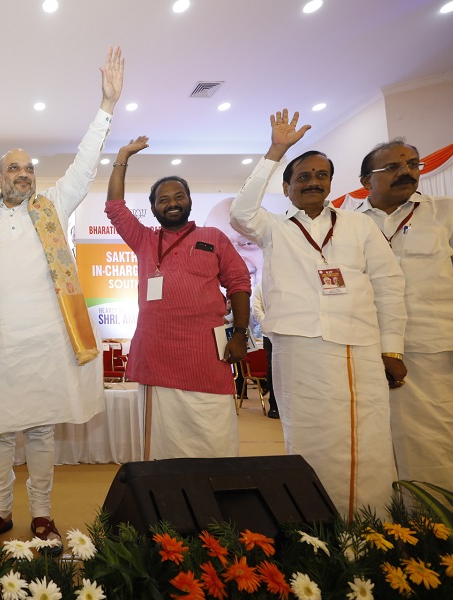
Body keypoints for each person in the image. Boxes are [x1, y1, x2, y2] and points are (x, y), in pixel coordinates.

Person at [0, 46, 123, 548]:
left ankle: (42, 514)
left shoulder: (54, 205)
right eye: (14, 169)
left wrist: (106, 107)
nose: (23, 174)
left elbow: (85, 164)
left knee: (43, 434)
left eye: (28, 169)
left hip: (47, 343)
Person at [230, 109, 407, 521]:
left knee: (369, 438)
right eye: (303, 177)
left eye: (321, 175)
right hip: (298, 346)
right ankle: (314, 525)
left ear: (331, 182)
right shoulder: (273, 227)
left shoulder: (359, 226)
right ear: (287, 188)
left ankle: (374, 525)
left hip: (359, 346)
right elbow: (240, 212)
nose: (313, 182)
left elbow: (388, 286)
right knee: (310, 435)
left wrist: (392, 349)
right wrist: (276, 150)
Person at [105, 136, 251, 460]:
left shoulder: (213, 237)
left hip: (207, 356)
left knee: (215, 437)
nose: (171, 203)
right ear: (154, 207)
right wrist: (122, 157)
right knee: (162, 445)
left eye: (178, 196)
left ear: (189, 201)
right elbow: (115, 208)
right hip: (157, 355)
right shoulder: (144, 240)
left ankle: (216, 506)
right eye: (163, 199)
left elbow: (239, 284)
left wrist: (240, 334)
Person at [347, 139, 453, 497]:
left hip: (433, 348)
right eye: (393, 168)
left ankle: (442, 535)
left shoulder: (449, 212)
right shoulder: (348, 223)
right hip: (367, 351)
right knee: (375, 447)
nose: (406, 173)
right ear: (367, 180)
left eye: (413, 165)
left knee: (439, 444)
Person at [251, 284, 279, 419]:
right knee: (273, 369)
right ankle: (274, 405)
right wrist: (268, 324)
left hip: (291, 333)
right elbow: (256, 309)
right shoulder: (261, 285)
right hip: (270, 334)